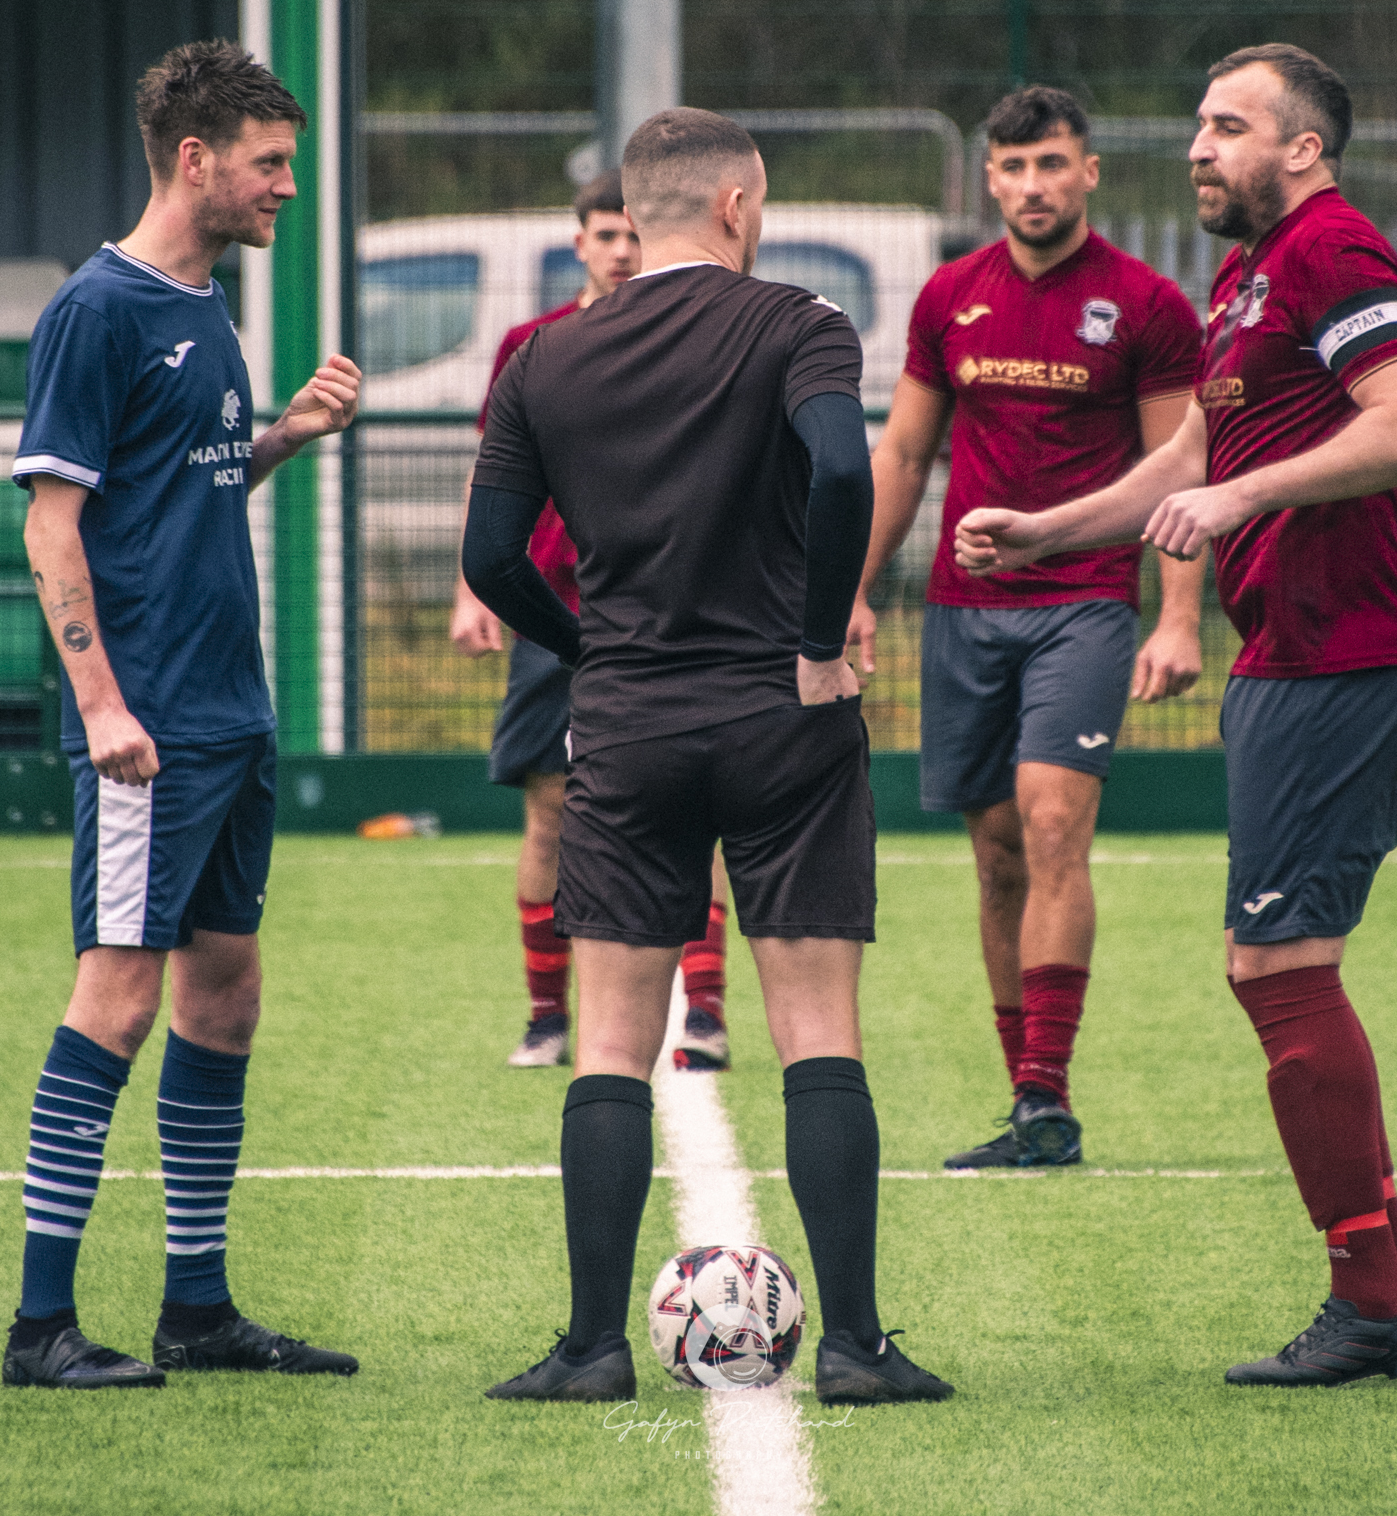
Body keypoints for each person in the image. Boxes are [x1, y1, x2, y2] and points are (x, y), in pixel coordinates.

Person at [953, 44, 1397, 1387]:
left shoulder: (1333, 250)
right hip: (1298, 655)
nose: (1200, 146)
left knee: (1279, 970)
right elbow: (1189, 457)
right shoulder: (1246, 274)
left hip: (1348, 657)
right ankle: (1390, 1281)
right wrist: (1052, 527)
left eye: (1229, 126)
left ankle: (1370, 1296)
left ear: (1302, 149)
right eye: (1196, 122)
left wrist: (1245, 500)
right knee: (1276, 967)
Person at [465, 107, 951, 1406]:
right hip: (784, 721)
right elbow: (845, 473)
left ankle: (590, 1349)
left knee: (611, 1042)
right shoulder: (799, 323)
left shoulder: (545, 361)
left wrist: (588, 650)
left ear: (640, 206)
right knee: (815, 1032)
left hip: (627, 724)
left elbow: (489, 561)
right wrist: (811, 636)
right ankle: (852, 1345)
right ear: (739, 203)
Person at [1, 39, 364, 1390]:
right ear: (195, 158)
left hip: (232, 716)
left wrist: (281, 440)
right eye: (270, 165)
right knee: (118, 994)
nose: (285, 187)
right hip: (148, 727)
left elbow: (181, 496)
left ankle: (195, 1309)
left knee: (226, 995)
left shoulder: (208, 307)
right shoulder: (94, 311)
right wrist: (100, 705)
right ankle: (41, 1326)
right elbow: (54, 530)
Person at [849, 87, 1204, 1170]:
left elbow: (1182, 472)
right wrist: (853, 593)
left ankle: (1049, 1098)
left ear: (1089, 172)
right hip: (964, 613)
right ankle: (1023, 1097)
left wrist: (1179, 617)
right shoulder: (950, 296)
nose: (1033, 186)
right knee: (996, 856)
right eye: (1013, 168)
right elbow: (904, 457)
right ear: (987, 180)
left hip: (1087, 605)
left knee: (1053, 827)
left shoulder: (1145, 305)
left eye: (1052, 164)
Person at [448, 173, 736, 1072]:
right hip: (554, 608)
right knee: (551, 806)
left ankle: (707, 1011)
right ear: (577, 243)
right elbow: (491, 472)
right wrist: (471, 589)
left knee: (700, 803)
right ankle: (546, 1014)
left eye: (631, 234)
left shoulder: (684, 341)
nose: (619, 249)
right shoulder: (529, 346)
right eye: (603, 234)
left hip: (672, 605)